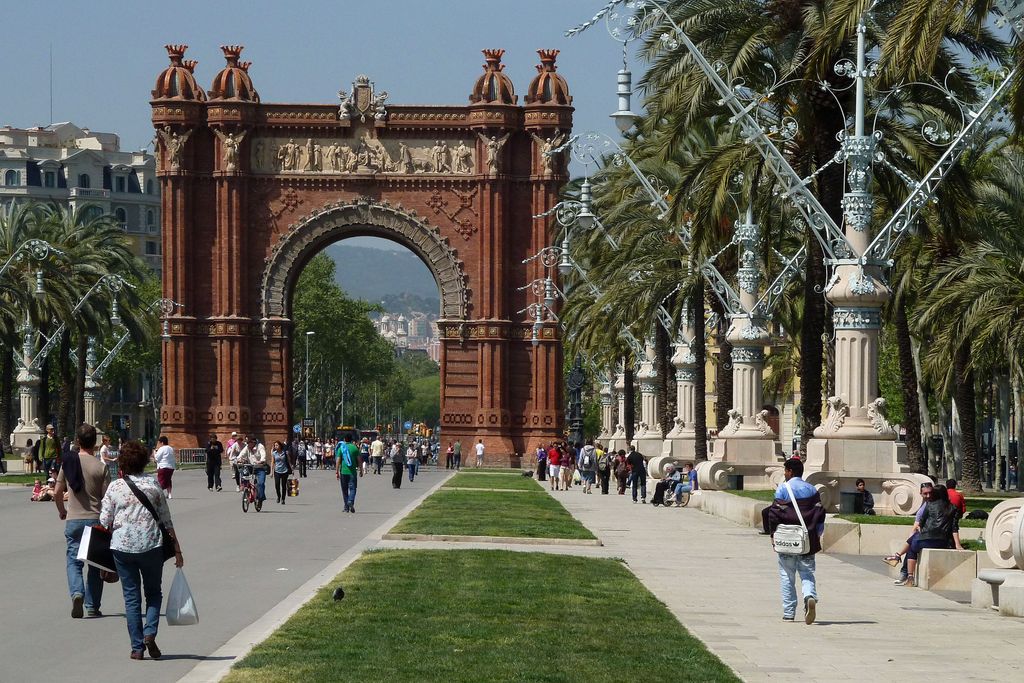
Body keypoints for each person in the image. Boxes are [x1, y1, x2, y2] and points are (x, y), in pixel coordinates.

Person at [99, 440, 183, 660]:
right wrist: (177, 548)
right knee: (154, 593)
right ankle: (150, 633)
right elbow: (166, 519)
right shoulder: (154, 485)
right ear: (145, 461)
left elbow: (104, 518)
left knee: (131, 597)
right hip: (151, 546)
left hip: (122, 548)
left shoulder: (115, 487)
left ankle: (137, 648)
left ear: (123, 462)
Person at [54, 422, 109, 619]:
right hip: (95, 519)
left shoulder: (68, 463)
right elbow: (107, 498)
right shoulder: (101, 467)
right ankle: (93, 606)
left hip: (74, 519)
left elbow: (57, 492)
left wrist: (62, 511)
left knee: (73, 561)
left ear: (77, 441)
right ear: (95, 443)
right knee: (95, 564)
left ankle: (77, 593)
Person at [762, 458, 826, 624]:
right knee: (807, 573)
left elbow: (774, 513)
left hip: (786, 539)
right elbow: (820, 515)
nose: (785, 473)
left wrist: (772, 534)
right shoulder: (812, 490)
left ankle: (789, 613)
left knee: (787, 575)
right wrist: (818, 534)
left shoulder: (783, 489)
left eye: (785, 470)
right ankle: (809, 595)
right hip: (807, 539)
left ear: (790, 471)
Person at [898, 484, 962, 587]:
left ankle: (909, 576)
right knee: (914, 540)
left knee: (913, 546)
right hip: (943, 541)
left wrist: (922, 531)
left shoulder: (929, 505)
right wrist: (958, 544)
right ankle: (897, 557)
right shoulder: (953, 508)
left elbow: (921, 522)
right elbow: (954, 528)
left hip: (926, 539)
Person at [238, 436, 268, 503]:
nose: (248, 444)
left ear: (254, 443)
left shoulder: (260, 446)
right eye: (247, 443)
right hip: (251, 467)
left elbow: (263, 455)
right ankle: (245, 486)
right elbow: (241, 455)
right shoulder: (247, 447)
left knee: (261, 483)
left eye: (249, 443)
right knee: (243, 471)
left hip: (260, 467)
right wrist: (239, 460)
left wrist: (261, 461)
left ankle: (260, 497)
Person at [336, 435, 360, 512]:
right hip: (352, 472)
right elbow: (359, 460)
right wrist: (361, 470)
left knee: (344, 489)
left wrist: (337, 471)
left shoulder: (341, 448)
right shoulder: (354, 448)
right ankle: (350, 501)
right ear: (351, 440)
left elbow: (338, 460)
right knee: (353, 488)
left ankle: (346, 507)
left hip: (343, 472)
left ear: (344, 439)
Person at [273, 441, 291, 505]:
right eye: (275, 445)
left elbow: (289, 461)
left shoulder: (285, 453)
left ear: (280, 446)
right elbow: (273, 462)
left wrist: (292, 469)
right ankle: (278, 496)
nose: (276, 447)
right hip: (277, 471)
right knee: (277, 485)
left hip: (284, 471)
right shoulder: (274, 453)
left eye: (277, 445)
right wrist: (271, 473)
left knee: (283, 486)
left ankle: (283, 499)